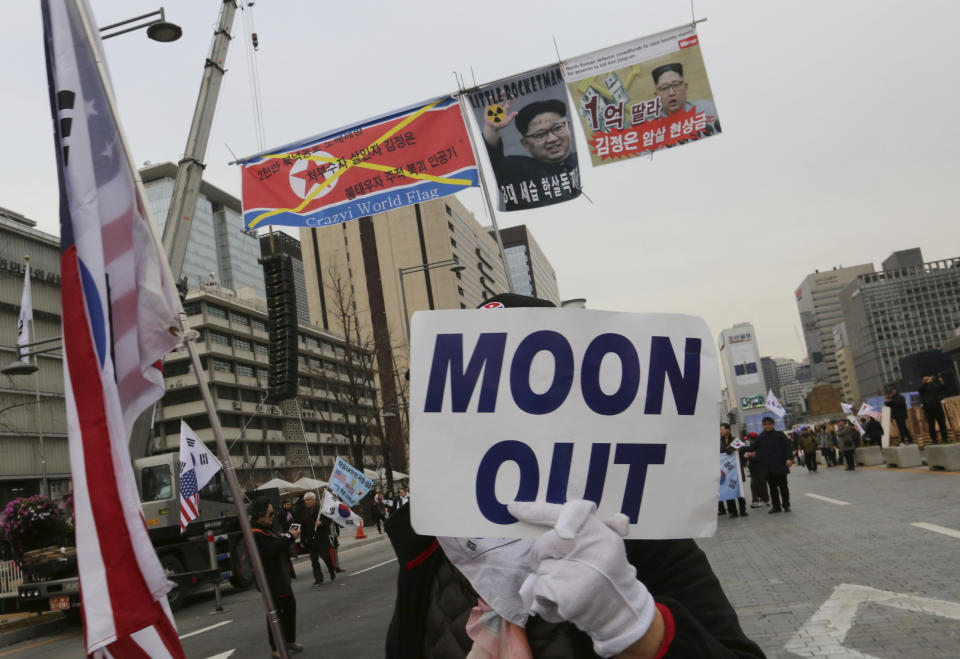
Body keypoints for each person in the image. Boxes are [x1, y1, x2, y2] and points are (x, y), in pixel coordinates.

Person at [384, 293, 764, 658]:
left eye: (511, 381)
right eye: (465, 386)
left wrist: (635, 627)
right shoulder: (431, 541)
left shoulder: (634, 526)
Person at [481, 98, 580, 210]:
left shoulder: (585, 161)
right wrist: (492, 130)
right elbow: (493, 161)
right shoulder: (517, 172)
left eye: (558, 128)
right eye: (540, 135)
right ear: (526, 144)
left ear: (568, 126)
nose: (552, 139)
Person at [249, 497, 303, 656]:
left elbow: (278, 543)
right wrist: (289, 537)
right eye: (270, 513)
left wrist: (287, 536)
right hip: (270, 580)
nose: (273, 516)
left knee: (289, 609)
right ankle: (276, 647)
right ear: (260, 515)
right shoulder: (255, 533)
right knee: (274, 614)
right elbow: (270, 551)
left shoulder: (268, 529)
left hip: (281, 578)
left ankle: (289, 641)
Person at [651, 63, 721, 136]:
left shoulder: (712, 108)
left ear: (685, 87)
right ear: (657, 96)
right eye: (664, 88)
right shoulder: (649, 129)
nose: (671, 93)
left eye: (676, 85)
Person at [749, 417, 793, 513]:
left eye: (769, 424)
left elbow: (788, 447)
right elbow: (752, 447)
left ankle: (786, 505)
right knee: (772, 489)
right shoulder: (760, 437)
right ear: (763, 425)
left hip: (780, 466)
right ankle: (776, 506)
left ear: (773, 424)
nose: (767, 426)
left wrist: (789, 458)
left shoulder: (780, 435)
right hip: (768, 468)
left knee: (783, 487)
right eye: (765, 424)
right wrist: (739, 448)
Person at [296, 492, 335, 585]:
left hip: (321, 538)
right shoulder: (304, 512)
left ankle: (331, 569)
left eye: (309, 499)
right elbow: (303, 527)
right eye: (306, 500)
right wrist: (302, 540)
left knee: (326, 557)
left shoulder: (321, 509)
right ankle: (318, 579)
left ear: (314, 500)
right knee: (314, 561)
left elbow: (329, 521)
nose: (307, 502)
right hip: (310, 540)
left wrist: (321, 523)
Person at [719, 423, 748, 518]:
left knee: (739, 490)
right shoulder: (719, 441)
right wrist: (725, 451)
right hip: (726, 471)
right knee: (728, 490)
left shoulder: (735, 440)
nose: (721, 431)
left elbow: (742, 448)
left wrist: (732, 449)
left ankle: (743, 510)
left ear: (728, 430)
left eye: (722, 429)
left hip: (736, 470)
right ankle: (733, 511)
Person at [918, 374, 949, 444]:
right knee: (931, 425)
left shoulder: (934, 385)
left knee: (942, 423)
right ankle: (934, 440)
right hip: (929, 408)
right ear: (923, 381)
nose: (927, 380)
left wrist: (941, 381)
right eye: (925, 379)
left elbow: (943, 388)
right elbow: (920, 389)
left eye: (928, 378)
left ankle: (945, 438)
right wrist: (926, 382)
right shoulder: (922, 387)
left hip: (937, 406)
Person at [741, 432, 769, 508]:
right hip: (753, 468)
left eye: (750, 438)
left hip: (760, 468)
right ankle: (763, 500)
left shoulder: (759, 446)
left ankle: (759, 501)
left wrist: (748, 457)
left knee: (759, 485)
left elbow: (759, 457)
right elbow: (747, 449)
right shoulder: (752, 446)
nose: (749, 440)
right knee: (757, 485)